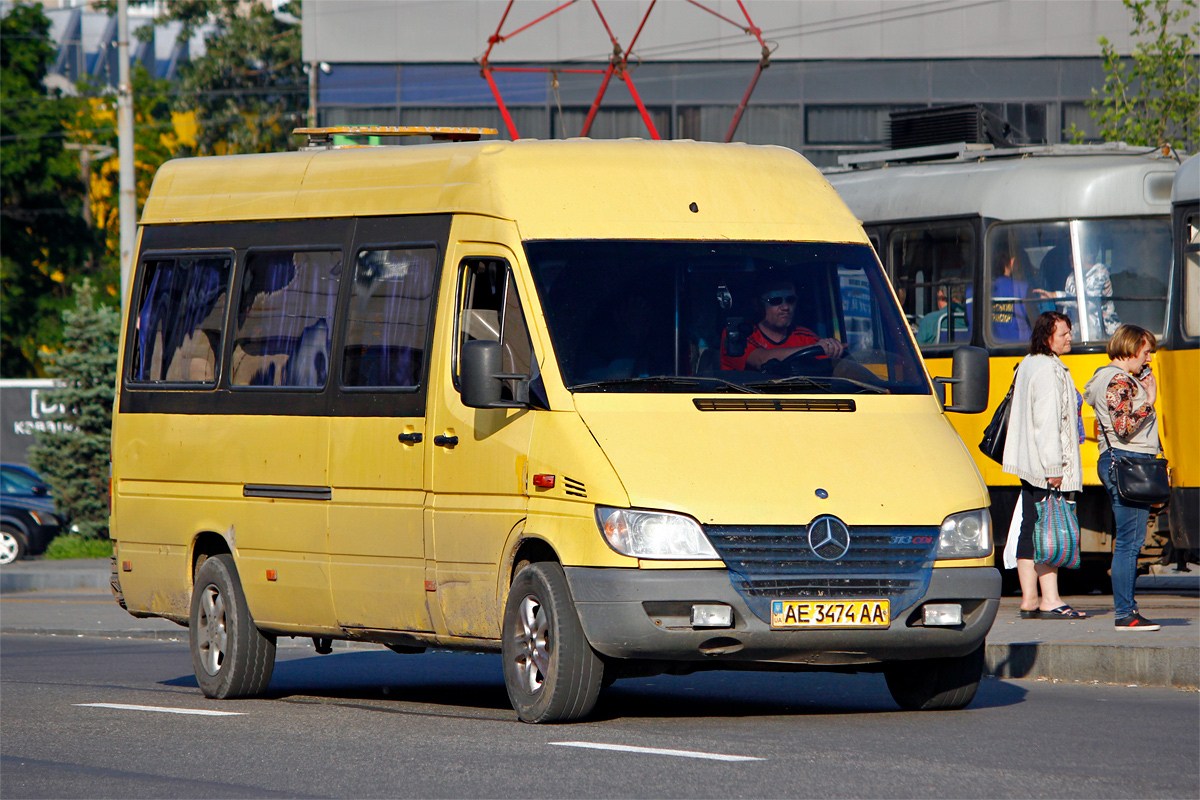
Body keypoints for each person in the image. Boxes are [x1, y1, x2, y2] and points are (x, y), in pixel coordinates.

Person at [1001, 310, 1086, 620]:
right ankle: (1050, 599)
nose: (1069, 338)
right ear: (1048, 336)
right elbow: (1048, 423)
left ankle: (1029, 599)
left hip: (1028, 462)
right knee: (1048, 528)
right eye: (1063, 333)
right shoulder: (1050, 370)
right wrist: (1054, 467)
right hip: (1044, 466)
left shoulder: (1027, 364)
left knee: (1029, 528)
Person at [1083, 324, 1163, 631]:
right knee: (1129, 543)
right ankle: (1125, 614)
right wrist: (1150, 400)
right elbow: (1125, 427)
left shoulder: (1114, 378)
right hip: (1128, 462)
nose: (1148, 359)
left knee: (1129, 541)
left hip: (1123, 461)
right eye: (1145, 352)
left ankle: (1127, 611)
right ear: (1130, 350)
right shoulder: (1117, 380)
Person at [720, 280, 844, 370]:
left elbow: (835, 365)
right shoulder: (738, 334)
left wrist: (835, 349)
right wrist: (811, 348)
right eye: (775, 300)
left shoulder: (804, 336)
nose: (785, 307)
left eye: (790, 300)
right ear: (757, 305)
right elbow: (761, 360)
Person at [1033, 258, 1119, 340]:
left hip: (1100, 336)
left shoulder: (1100, 273)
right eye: (1070, 253)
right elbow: (1068, 308)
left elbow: (1088, 304)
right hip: (1075, 335)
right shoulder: (1071, 277)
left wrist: (1055, 295)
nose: (1070, 256)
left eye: (1072, 253)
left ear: (1090, 255)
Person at [990, 243, 1033, 343]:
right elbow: (1035, 321)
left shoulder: (976, 291)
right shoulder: (1023, 288)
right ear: (1012, 262)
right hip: (1022, 347)